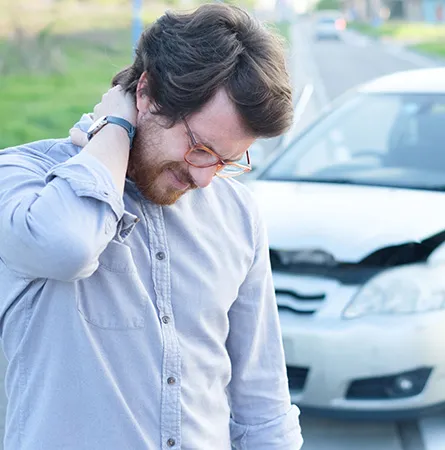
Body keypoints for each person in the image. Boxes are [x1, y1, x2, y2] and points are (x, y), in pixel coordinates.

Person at [0, 3, 303, 449]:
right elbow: (66, 247)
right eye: (200, 147)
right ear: (146, 93)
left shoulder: (237, 211)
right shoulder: (23, 181)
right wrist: (116, 126)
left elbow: (264, 407)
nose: (204, 177)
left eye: (228, 161)